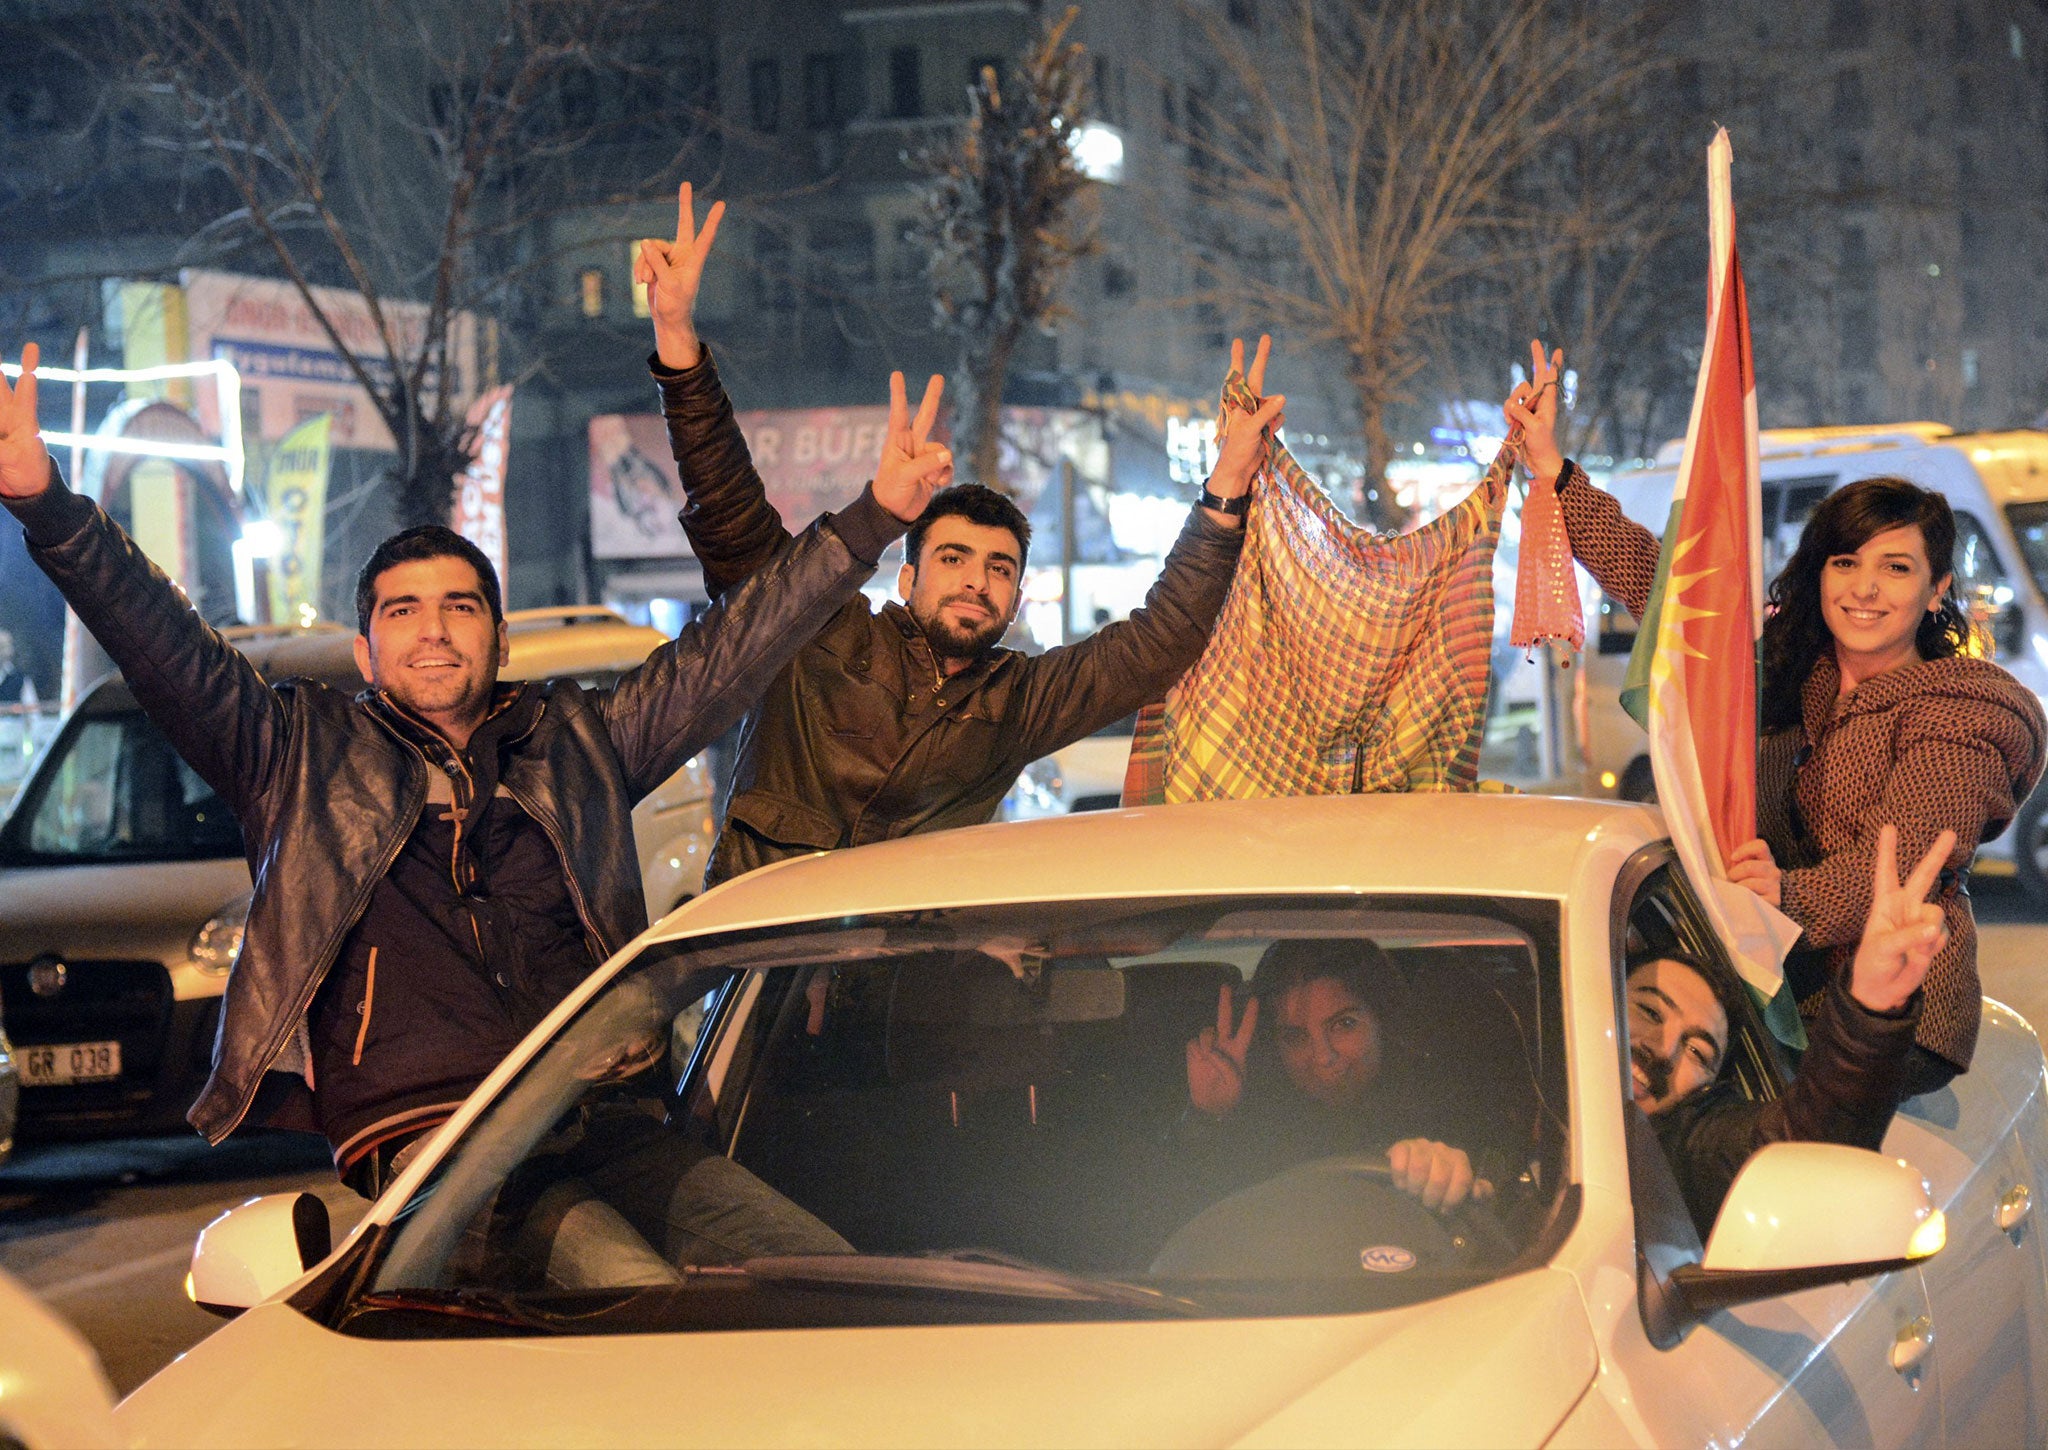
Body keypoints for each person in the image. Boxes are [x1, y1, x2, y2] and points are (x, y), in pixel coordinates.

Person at [0, 341, 952, 1196]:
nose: (433, 629)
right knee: (615, 1286)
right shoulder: (293, 753)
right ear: (365, 652)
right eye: (402, 611)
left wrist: (872, 521)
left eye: (459, 607)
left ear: (499, 641)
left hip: (602, 1106)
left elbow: (731, 649)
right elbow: (160, 639)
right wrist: (47, 503)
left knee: (775, 1263)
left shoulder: (577, 741)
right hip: (432, 1133)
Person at [635, 185, 1273, 887]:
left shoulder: (1020, 703)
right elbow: (727, 510)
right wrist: (677, 342)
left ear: (1018, 597)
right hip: (774, 972)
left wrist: (1228, 484)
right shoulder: (816, 635)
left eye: (999, 568)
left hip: (911, 981)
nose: (977, 579)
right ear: (906, 580)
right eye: (952, 557)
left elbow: (1162, 640)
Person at [1506, 339, 2045, 1095]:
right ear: (1818, 570)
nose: (1864, 589)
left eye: (1896, 568)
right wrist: (1557, 475)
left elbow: (1900, 874)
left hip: (1892, 1018)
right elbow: (1665, 593)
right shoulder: (1790, 670)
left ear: (1935, 591)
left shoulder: (1961, 713)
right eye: (1845, 561)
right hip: (1767, 982)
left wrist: (1783, 897)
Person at [1631, 824, 1956, 1235]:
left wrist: (1870, 1006)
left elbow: (1809, 1148)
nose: (1664, 1049)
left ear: (1709, 1091)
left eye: (1698, 1052)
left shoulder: (1683, 1153)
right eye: (1650, 1011)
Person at [1179, 939, 1492, 1213]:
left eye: (1344, 1024)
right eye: (1296, 1036)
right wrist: (1208, 1116)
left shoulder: (1446, 1103)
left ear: (1382, 1019)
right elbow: (1181, 1217)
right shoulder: (1258, 1127)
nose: (1324, 1056)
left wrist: (1444, 1170)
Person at [0, 627, 35, 704]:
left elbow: (32, 712)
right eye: (2, 647)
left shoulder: (21, 679)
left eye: (7, 646)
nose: (7, 651)